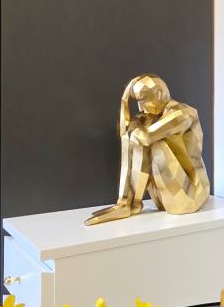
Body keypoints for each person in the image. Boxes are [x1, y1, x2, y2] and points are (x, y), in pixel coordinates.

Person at [85, 74, 210, 225]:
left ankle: (129, 203)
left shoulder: (183, 113)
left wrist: (133, 125)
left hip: (191, 192)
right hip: (163, 196)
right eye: (138, 101)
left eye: (143, 100)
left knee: (153, 143)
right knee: (135, 134)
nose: (140, 108)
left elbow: (146, 137)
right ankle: (126, 203)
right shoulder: (150, 117)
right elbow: (125, 134)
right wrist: (124, 99)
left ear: (159, 94)